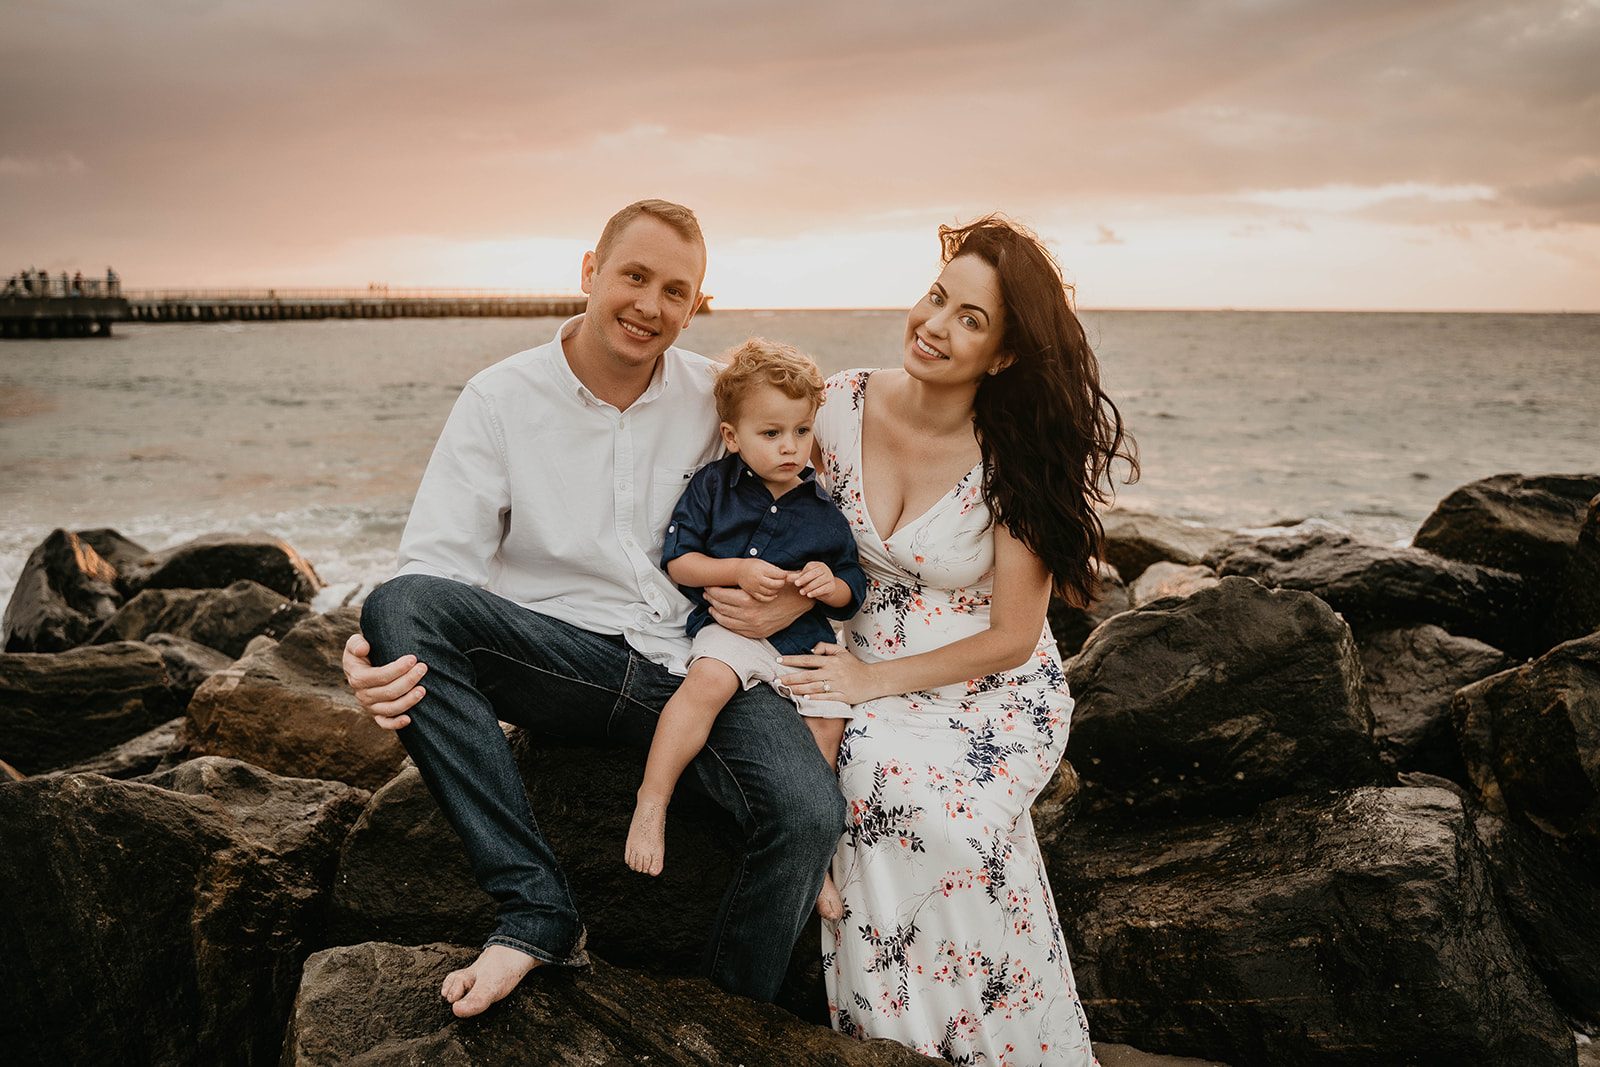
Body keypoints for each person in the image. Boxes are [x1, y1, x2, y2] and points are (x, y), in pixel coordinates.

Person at [341, 199, 845, 1018]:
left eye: (676, 291)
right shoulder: (499, 398)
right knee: (398, 607)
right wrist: (368, 651)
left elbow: (796, 491)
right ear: (590, 272)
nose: (651, 305)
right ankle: (536, 908)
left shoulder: (716, 398)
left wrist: (781, 604)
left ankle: (728, 1021)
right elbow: (435, 568)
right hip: (558, 664)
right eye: (635, 276)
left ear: (695, 304)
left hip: (691, 668)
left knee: (807, 811)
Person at [771, 215, 1136, 1065]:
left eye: (970, 318)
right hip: (852, 651)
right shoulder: (835, 406)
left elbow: (1014, 635)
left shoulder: (1015, 455)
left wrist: (872, 681)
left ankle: (1004, 1047)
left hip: (986, 684)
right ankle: (899, 1043)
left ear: (1003, 354)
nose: (935, 326)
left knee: (927, 808)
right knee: (857, 769)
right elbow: (744, 470)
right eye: (938, 297)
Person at [624, 338, 867, 924]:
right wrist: (735, 568)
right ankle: (651, 801)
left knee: (828, 718)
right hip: (729, 629)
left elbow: (850, 587)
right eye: (771, 433)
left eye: (801, 431)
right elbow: (680, 564)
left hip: (800, 640)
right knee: (706, 683)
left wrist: (822, 581)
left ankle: (816, 861)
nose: (790, 447)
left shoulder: (821, 508)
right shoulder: (712, 487)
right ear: (733, 436)